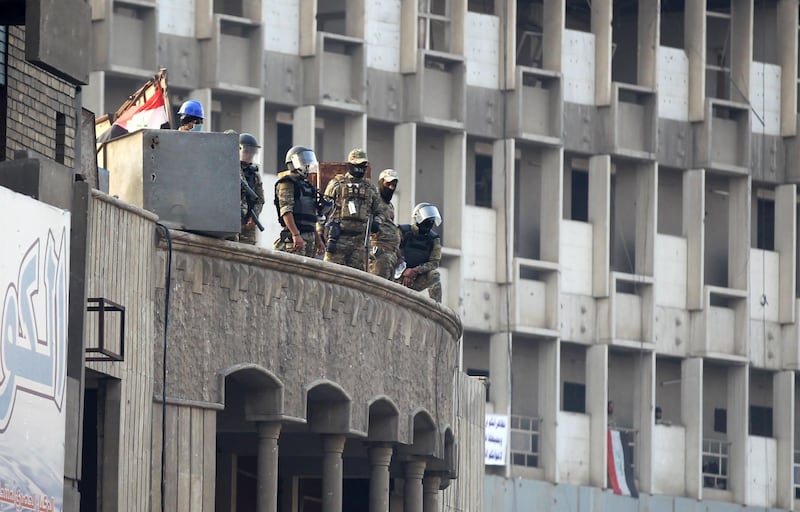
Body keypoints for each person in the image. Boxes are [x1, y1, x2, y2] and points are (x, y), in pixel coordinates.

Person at [322, 148, 382, 271]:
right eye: (359, 164)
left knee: (356, 280)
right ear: (351, 164)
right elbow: (323, 209)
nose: (361, 168)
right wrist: (321, 234)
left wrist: (377, 222)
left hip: (359, 243)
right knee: (330, 275)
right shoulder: (337, 184)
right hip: (338, 238)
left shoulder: (370, 188)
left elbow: (379, 211)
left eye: (364, 165)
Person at [273, 146, 325, 257]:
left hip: (309, 239)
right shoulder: (287, 183)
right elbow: (286, 211)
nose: (307, 165)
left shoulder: (308, 186)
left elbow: (310, 219)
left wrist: (318, 240)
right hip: (296, 239)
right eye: (303, 161)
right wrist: (295, 235)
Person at [396, 202, 443, 302]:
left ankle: (436, 307)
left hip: (416, 278)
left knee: (434, 275)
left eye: (432, 220)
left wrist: (415, 271)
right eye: (427, 219)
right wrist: (404, 270)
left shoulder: (434, 239)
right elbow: (393, 252)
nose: (430, 222)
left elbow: (434, 263)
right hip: (396, 276)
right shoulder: (403, 231)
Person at [368, 169, 401, 279]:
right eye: (388, 184)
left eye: (394, 185)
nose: (391, 188)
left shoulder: (390, 205)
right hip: (379, 250)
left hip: (391, 252)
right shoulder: (374, 198)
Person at [238, 133, 265, 245]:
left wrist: (254, 217)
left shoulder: (254, 174)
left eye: (252, 152)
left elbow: (260, 200)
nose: (249, 155)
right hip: (230, 220)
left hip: (247, 222)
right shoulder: (229, 169)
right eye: (246, 151)